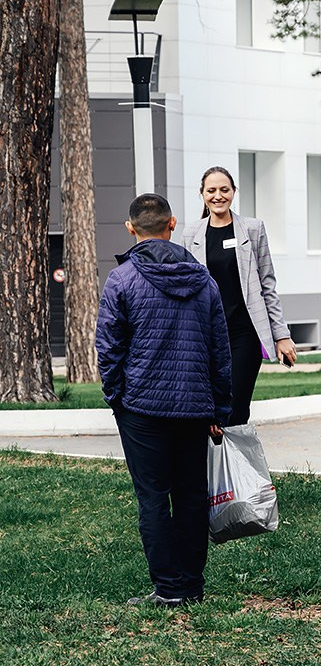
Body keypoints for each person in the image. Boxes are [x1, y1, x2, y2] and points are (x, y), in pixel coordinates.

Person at [96, 193, 232, 607]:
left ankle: (169, 588)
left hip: (141, 407)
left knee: (153, 496)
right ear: (172, 224)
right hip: (193, 406)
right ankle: (191, 584)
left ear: (130, 228)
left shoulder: (121, 280)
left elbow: (108, 348)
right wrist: (219, 408)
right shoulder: (204, 280)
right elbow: (219, 350)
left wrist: (116, 396)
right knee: (191, 495)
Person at [180, 166, 296, 426]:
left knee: (235, 407)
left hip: (245, 334)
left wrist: (282, 335)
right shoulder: (191, 234)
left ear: (233, 192)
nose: (218, 196)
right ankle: (213, 464)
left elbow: (267, 284)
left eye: (224, 189)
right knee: (209, 408)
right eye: (211, 190)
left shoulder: (253, 229)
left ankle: (237, 464)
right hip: (208, 335)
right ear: (202, 194)